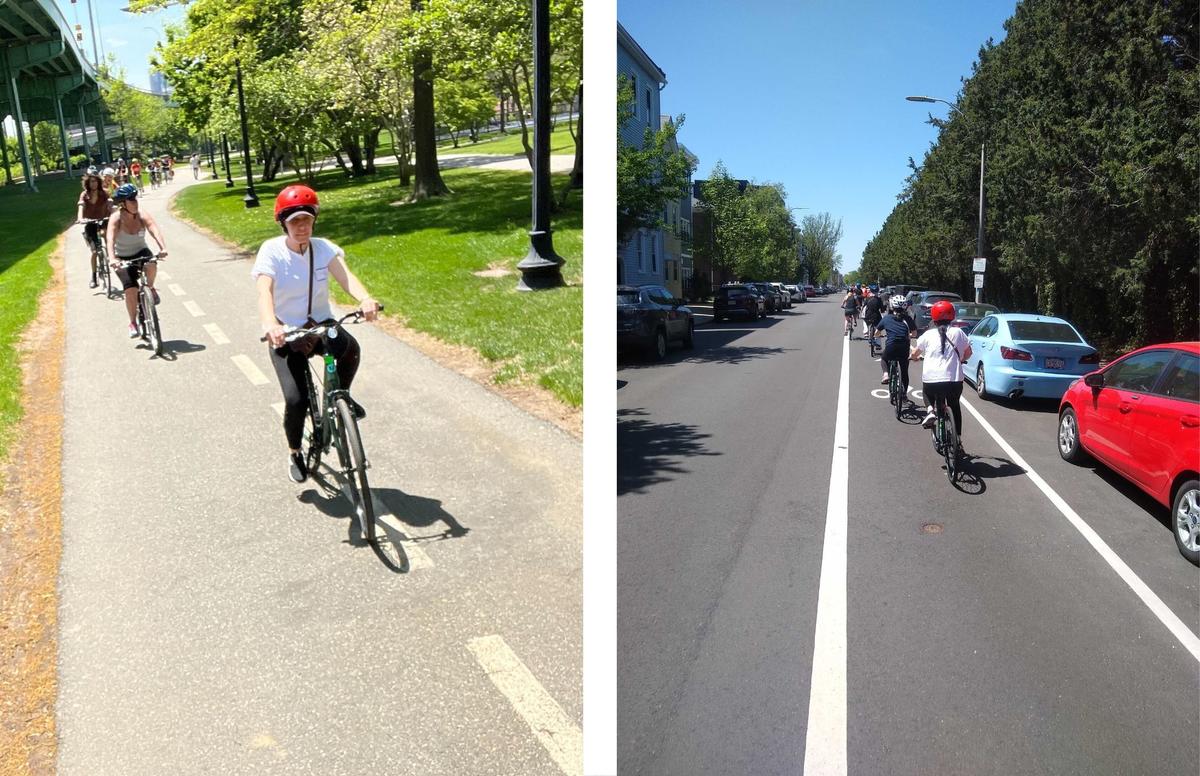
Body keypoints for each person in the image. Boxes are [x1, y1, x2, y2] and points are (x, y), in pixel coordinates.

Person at [252, 185, 381, 483]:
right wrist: (271, 324)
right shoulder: (271, 251)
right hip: (286, 332)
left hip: (321, 325)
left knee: (350, 349)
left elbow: (346, 276)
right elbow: (264, 291)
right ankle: (295, 451)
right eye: (294, 220)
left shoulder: (323, 248)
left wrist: (365, 298)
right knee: (296, 401)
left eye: (307, 219)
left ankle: (341, 396)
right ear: (283, 222)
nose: (302, 226)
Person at [107, 184, 168, 338]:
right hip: (122, 257)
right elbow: (110, 239)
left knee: (152, 263)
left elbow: (154, 228)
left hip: (141, 251)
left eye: (135, 198)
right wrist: (113, 258)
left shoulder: (142, 214)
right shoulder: (116, 218)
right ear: (122, 203)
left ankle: (150, 288)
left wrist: (162, 248)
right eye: (130, 199)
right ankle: (133, 322)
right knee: (131, 290)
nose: (135, 202)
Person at [910, 300, 973, 448]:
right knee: (954, 406)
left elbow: (915, 352)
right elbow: (968, 352)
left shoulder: (928, 335)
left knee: (927, 393)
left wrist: (914, 357)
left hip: (932, 380)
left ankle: (931, 411)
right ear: (952, 316)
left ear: (934, 317)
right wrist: (961, 359)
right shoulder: (958, 332)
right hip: (954, 380)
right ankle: (957, 439)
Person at [76, 171, 112, 289]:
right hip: (90, 222)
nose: (94, 183)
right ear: (87, 183)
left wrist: (113, 213)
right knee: (94, 252)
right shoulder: (84, 195)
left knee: (105, 233)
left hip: (103, 220)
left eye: (95, 181)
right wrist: (80, 218)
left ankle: (110, 256)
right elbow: (81, 206)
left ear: (99, 182)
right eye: (91, 181)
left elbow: (110, 204)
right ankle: (94, 276)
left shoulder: (104, 193)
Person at [875, 295, 916, 391]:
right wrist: (908, 335)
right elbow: (914, 333)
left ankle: (885, 375)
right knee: (904, 371)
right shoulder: (908, 318)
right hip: (904, 347)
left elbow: (877, 332)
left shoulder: (887, 318)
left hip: (891, 346)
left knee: (884, 358)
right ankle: (904, 394)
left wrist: (878, 336)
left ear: (892, 306)